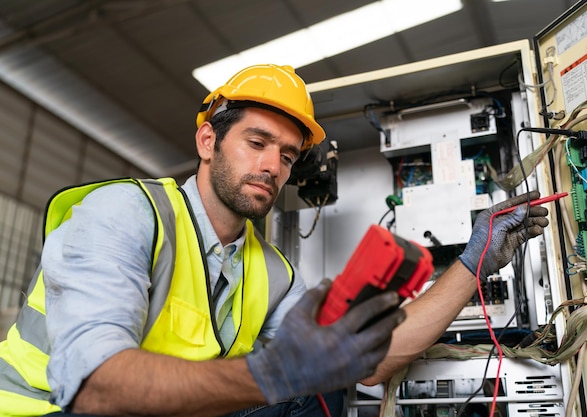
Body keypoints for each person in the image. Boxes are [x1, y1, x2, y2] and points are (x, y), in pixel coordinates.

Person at [0, 64, 550, 417]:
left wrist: (472, 263)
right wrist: (275, 372)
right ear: (208, 140)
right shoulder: (126, 213)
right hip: (45, 411)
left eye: (286, 155)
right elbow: (97, 390)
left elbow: (367, 363)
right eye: (257, 142)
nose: (272, 166)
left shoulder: (271, 269)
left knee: (318, 392)